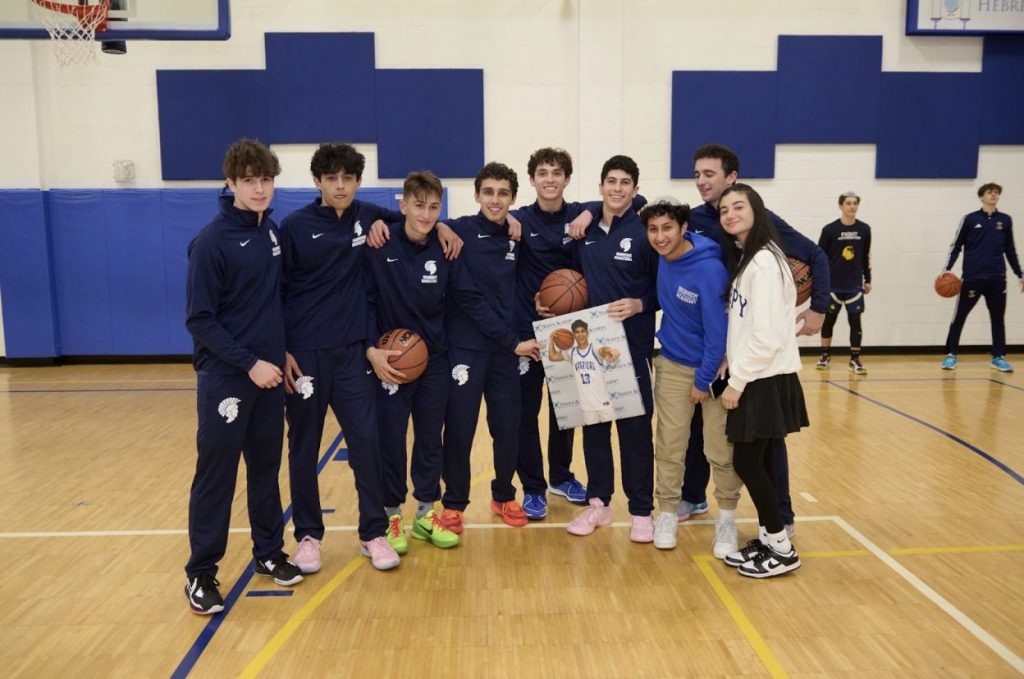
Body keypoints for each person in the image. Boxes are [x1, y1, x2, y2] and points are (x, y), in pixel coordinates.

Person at [674, 144, 828, 533]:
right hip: (719, 343)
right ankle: (693, 496)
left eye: (710, 174)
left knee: (765, 440)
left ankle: (782, 518)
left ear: (731, 179)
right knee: (700, 427)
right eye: (696, 174)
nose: (701, 181)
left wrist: (819, 309)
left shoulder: (761, 229)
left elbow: (817, 255)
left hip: (755, 350)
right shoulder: (691, 220)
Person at [364, 171, 521, 553]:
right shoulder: (379, 243)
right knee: (392, 440)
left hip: (434, 358)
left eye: (434, 207)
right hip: (391, 359)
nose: (426, 213)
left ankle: (424, 511)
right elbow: (365, 300)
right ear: (402, 206)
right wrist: (370, 348)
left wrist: (510, 341)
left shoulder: (447, 247)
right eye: (418, 205)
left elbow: (466, 297)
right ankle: (391, 514)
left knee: (431, 438)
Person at [278, 142, 415, 572]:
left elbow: (413, 221)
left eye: (348, 179)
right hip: (305, 355)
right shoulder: (295, 227)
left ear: (357, 181)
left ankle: (372, 532)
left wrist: (445, 230)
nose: (340, 186)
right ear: (317, 181)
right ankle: (308, 536)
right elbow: (275, 293)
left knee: (367, 443)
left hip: (354, 352)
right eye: (332, 179)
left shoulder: (369, 215)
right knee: (303, 447)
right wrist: (280, 349)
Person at [183, 139, 302, 614]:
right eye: (249, 180)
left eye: (266, 179)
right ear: (230, 183)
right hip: (228, 380)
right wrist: (249, 363)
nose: (259, 188)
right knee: (216, 476)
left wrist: (280, 352)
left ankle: (269, 553)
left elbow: (269, 305)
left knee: (266, 470)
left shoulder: (270, 231)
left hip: (269, 377)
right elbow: (200, 320)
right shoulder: (211, 242)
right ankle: (201, 573)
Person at [435, 162, 543, 533]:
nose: (495, 200)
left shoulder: (517, 235)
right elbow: (468, 297)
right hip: (468, 348)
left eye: (503, 194)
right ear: (477, 195)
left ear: (513, 198)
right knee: (461, 429)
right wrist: (440, 224)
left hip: (505, 352)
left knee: (508, 427)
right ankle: (453, 504)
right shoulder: (460, 230)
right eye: (488, 192)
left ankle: (503, 495)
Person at [560, 155, 659, 542]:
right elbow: (565, 279)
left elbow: (660, 286)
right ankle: (599, 504)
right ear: (600, 186)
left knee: (635, 431)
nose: (617, 189)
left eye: (625, 183)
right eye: (611, 182)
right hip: (588, 349)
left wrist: (641, 303)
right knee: (595, 430)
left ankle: (641, 511)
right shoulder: (583, 231)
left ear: (635, 190)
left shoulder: (645, 230)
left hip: (630, 348)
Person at [717, 183, 808, 579]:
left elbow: (767, 336)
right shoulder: (753, 259)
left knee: (746, 460)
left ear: (757, 210)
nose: (730, 214)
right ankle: (772, 539)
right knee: (765, 460)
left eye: (739, 206)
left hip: (762, 377)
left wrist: (737, 381)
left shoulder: (765, 264)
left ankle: (781, 547)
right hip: (762, 373)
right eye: (724, 210)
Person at [642, 199, 741, 557]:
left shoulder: (709, 269)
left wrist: (701, 381)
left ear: (684, 228)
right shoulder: (663, 259)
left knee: (719, 448)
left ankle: (727, 518)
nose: (660, 236)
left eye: (667, 228)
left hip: (712, 369)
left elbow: (718, 333)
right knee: (669, 445)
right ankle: (667, 512)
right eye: (653, 230)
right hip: (670, 362)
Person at [941, 182, 1022, 373]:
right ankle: (951, 354)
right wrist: (947, 268)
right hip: (972, 277)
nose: (994, 195)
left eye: (996, 193)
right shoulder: (969, 219)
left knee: (997, 318)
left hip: (997, 278)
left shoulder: (1006, 220)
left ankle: (998, 356)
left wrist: (1019, 273)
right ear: (981, 196)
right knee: (959, 317)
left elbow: (1010, 250)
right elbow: (956, 245)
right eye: (990, 192)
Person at [816, 191, 872, 375]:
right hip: (832, 285)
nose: (852, 206)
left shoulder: (864, 229)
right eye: (848, 203)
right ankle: (825, 356)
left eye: (855, 203)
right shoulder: (830, 230)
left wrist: (868, 279)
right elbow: (820, 257)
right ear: (841, 206)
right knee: (829, 321)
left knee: (855, 322)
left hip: (854, 285)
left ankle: (855, 359)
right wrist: (820, 282)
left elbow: (865, 256)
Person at [547, 319, 620, 424]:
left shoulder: (594, 349)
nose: (580, 334)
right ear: (573, 335)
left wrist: (609, 350)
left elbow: (603, 350)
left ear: (587, 333)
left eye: (583, 331)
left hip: (603, 404)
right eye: (577, 332)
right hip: (587, 406)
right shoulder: (571, 353)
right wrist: (551, 339)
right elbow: (552, 356)